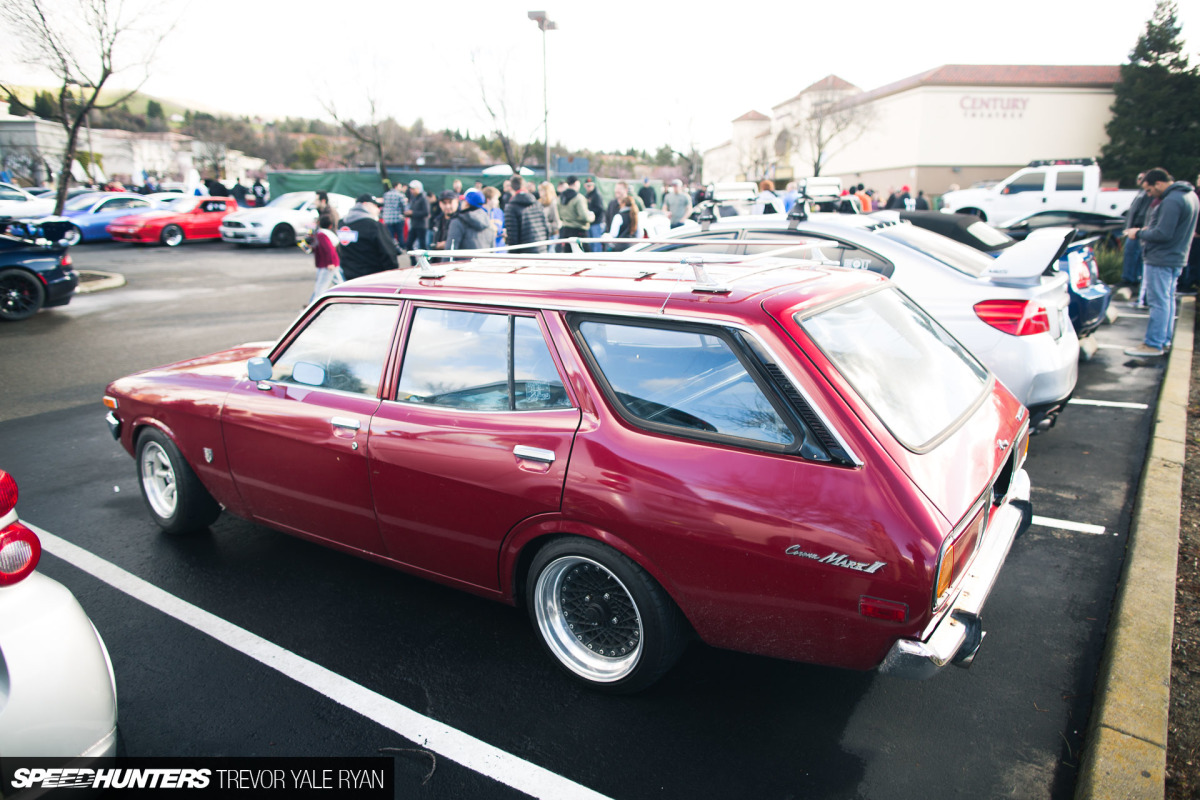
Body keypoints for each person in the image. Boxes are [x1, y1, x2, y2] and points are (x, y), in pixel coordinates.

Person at [1123, 168, 1199, 357]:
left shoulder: (1172, 201)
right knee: (1167, 299)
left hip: (1161, 258)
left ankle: (1153, 344)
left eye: (1149, 190)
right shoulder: (1190, 196)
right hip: (1176, 257)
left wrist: (1138, 233)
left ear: (1158, 183)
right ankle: (1163, 339)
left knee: (1158, 302)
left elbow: (1163, 234)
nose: (1149, 195)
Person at [337, 193, 399, 280]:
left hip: (349, 277)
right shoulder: (374, 226)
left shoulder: (342, 224)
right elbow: (388, 253)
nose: (378, 210)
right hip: (373, 278)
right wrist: (392, 275)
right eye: (376, 206)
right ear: (365, 204)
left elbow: (340, 249)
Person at [503, 175, 549, 253]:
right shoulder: (537, 203)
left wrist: (512, 255)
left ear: (511, 188)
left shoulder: (511, 207)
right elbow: (546, 227)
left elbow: (512, 236)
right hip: (541, 248)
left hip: (524, 252)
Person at [1122, 173, 1151, 288]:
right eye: (1139, 178)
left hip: (1141, 230)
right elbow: (1132, 212)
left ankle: (1135, 280)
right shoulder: (1141, 193)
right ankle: (1129, 279)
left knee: (1138, 256)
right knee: (1130, 254)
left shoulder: (1150, 195)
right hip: (1133, 230)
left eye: (1143, 179)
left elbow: (1147, 214)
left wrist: (1141, 229)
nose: (1140, 181)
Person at [308, 212, 343, 305]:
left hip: (327, 265)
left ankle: (314, 304)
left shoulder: (321, 235)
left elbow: (328, 249)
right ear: (331, 225)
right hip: (333, 262)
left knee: (321, 287)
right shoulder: (328, 234)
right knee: (340, 283)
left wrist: (330, 262)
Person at [557, 175, 593, 247]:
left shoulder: (561, 197)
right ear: (576, 183)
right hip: (579, 231)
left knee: (568, 255)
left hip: (566, 230)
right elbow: (584, 216)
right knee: (583, 256)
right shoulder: (578, 198)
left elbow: (559, 214)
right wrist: (592, 216)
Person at [404, 180, 429, 251]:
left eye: (413, 189)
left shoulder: (423, 198)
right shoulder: (413, 198)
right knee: (409, 244)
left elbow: (426, 212)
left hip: (421, 226)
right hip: (414, 225)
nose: (411, 191)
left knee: (422, 245)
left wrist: (412, 213)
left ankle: (426, 261)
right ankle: (413, 261)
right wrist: (408, 213)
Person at [381, 181, 407, 248]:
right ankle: (401, 248)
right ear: (397, 186)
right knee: (400, 235)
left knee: (390, 236)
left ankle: (391, 248)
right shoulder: (400, 195)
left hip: (387, 218)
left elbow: (383, 205)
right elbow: (404, 206)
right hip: (398, 218)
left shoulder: (386, 194)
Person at [584, 178, 606, 252]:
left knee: (596, 242)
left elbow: (600, 209)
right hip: (590, 222)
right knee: (591, 243)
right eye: (587, 186)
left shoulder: (596, 195)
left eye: (590, 185)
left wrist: (590, 212)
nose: (589, 187)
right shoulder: (587, 195)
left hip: (597, 222)